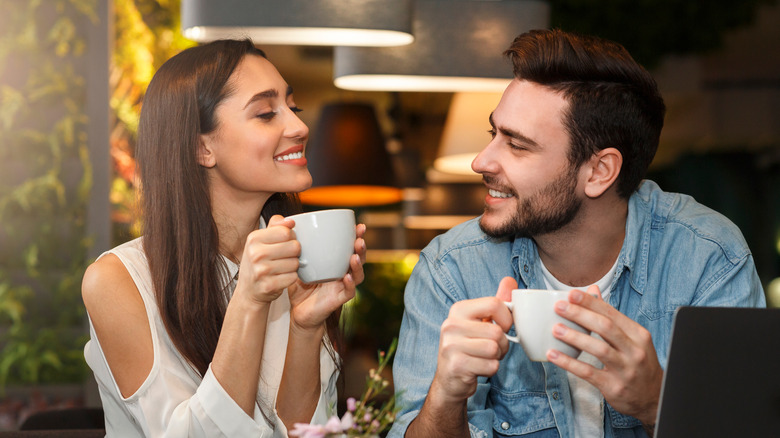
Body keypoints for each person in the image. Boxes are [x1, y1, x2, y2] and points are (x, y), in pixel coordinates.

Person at [389, 29, 765, 438]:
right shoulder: (451, 269)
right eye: (493, 134)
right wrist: (445, 397)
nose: (481, 161)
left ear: (599, 172)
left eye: (517, 145)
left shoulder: (707, 257)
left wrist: (656, 403)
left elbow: (744, 427)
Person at [81, 39, 367, 437]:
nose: (300, 127)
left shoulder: (298, 262)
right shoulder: (118, 281)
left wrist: (306, 327)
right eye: (266, 113)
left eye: (293, 108)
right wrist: (249, 299)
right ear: (202, 147)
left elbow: (303, 432)